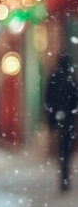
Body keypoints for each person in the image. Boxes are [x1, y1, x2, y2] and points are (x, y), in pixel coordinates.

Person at [44, 53, 78, 192]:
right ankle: (65, 177)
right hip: (68, 120)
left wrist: (51, 120)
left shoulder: (54, 77)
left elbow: (48, 100)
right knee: (66, 150)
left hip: (60, 120)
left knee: (62, 150)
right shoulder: (70, 79)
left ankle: (63, 177)